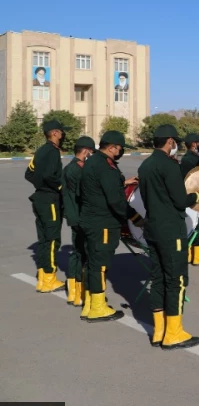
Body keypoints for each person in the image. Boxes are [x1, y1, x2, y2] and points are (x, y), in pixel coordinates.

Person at [138, 125, 199, 349]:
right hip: (171, 230)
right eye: (175, 142)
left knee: (158, 278)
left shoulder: (146, 165)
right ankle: (174, 333)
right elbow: (181, 200)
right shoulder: (168, 166)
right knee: (176, 280)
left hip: (152, 228)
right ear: (169, 142)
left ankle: (159, 331)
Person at [79, 130, 141, 322]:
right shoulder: (106, 167)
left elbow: (100, 187)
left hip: (91, 220)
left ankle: (90, 303)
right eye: (120, 148)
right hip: (103, 223)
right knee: (100, 265)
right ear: (112, 147)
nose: (120, 152)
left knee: (92, 263)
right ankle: (98, 308)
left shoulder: (93, 161)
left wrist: (122, 181)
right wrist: (136, 218)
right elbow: (115, 201)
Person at [25, 119, 71, 294]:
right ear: (54, 133)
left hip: (40, 198)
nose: (62, 134)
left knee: (44, 239)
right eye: (61, 131)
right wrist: (60, 188)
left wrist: (40, 185)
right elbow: (48, 176)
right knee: (52, 239)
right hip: (50, 200)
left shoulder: (41, 151)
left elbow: (29, 173)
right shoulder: (51, 151)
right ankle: (50, 278)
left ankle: (44, 278)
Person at [62, 136, 95, 307]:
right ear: (86, 151)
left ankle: (74, 293)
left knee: (77, 252)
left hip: (74, 215)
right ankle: (80, 293)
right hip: (80, 216)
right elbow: (83, 193)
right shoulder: (76, 169)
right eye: (91, 152)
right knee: (83, 254)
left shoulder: (70, 167)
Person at [180, 133, 199, 265]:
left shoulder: (184, 158)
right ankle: (197, 257)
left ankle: (189, 255)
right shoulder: (195, 159)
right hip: (196, 193)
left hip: (186, 194)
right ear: (195, 144)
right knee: (198, 225)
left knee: (189, 224)